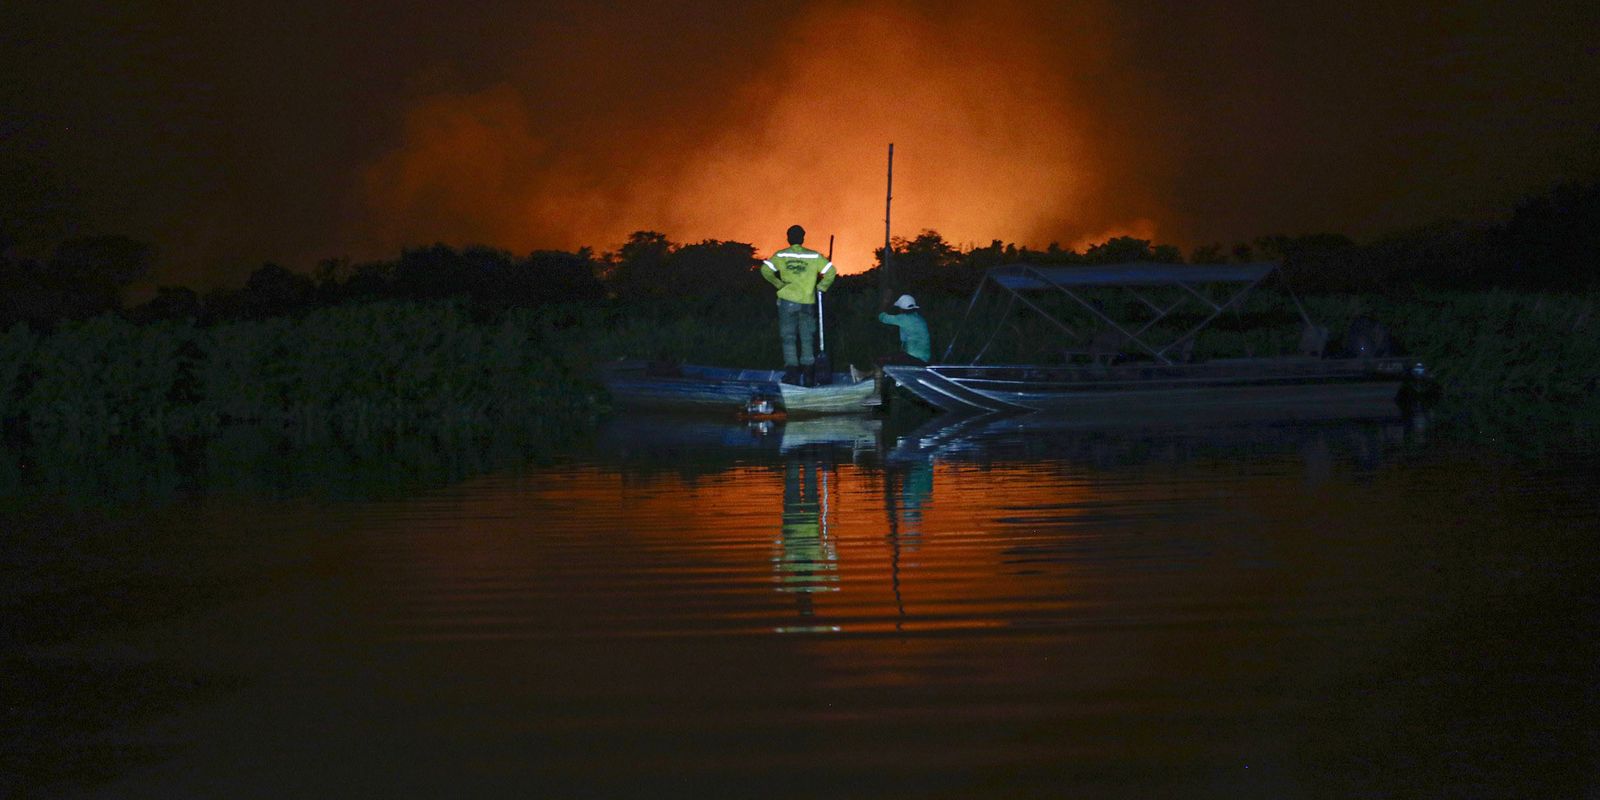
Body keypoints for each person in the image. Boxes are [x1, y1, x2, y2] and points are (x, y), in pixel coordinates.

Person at [761, 224, 836, 386]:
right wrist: (821, 287)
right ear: (803, 238)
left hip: (787, 302)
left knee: (789, 338)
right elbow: (831, 271)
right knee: (807, 338)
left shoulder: (781, 255)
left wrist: (779, 284)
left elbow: (765, 270)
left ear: (788, 238)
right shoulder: (814, 256)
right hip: (807, 302)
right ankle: (808, 377)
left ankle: (792, 376)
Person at [876, 293, 931, 365]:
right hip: (924, 358)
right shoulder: (920, 318)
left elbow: (882, 317)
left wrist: (884, 303)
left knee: (880, 360)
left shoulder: (904, 318)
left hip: (913, 357)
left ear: (902, 308)